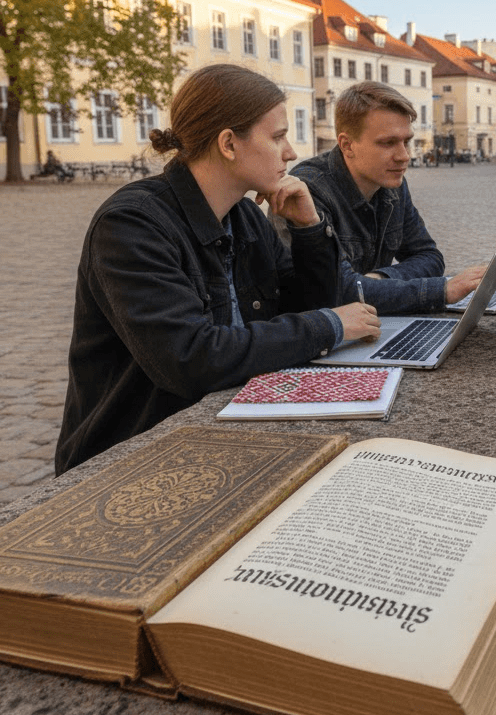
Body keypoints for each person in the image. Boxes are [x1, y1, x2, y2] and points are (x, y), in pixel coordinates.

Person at [56, 64, 381, 475]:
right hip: (128, 457)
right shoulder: (132, 225)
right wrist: (327, 327)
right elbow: (190, 359)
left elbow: (310, 306)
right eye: (278, 136)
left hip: (216, 433)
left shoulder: (242, 214)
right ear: (229, 143)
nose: (291, 152)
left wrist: (310, 230)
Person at [291, 82, 486, 314]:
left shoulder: (391, 183)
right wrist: (442, 290)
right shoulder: (308, 191)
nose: (404, 156)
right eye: (388, 143)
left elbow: (429, 257)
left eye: (406, 141)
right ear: (347, 145)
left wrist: (379, 278)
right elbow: (339, 293)